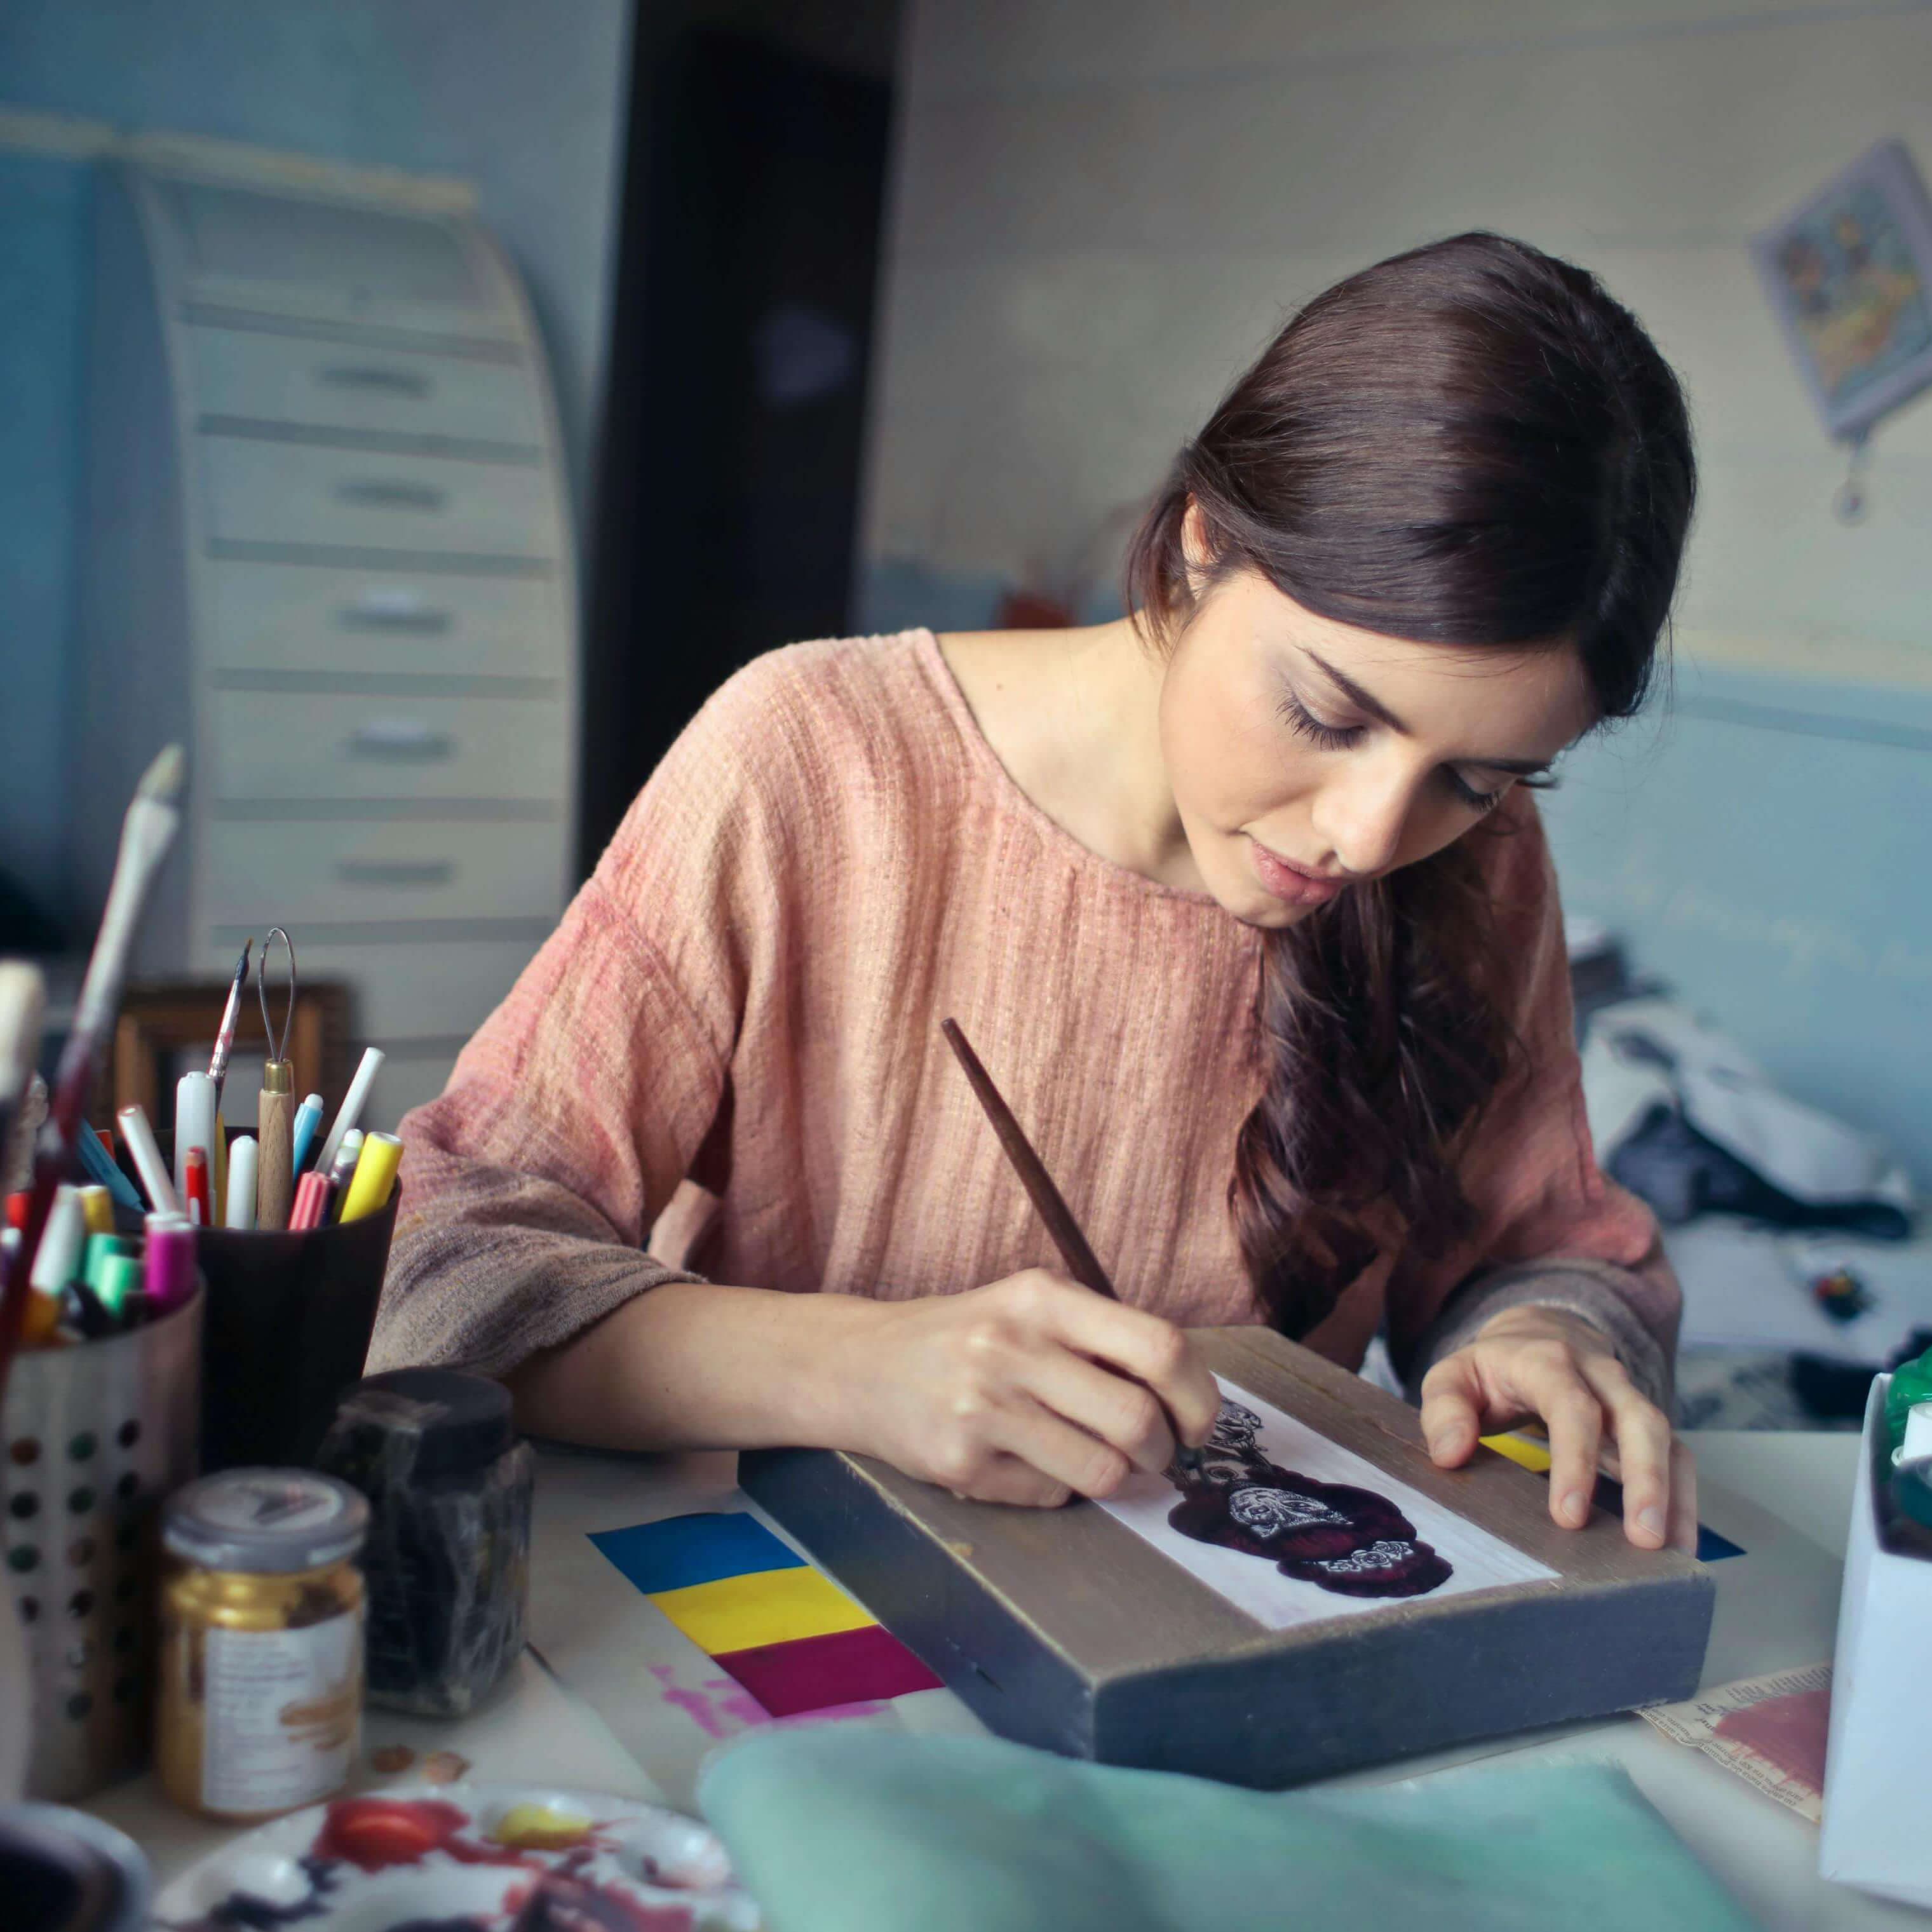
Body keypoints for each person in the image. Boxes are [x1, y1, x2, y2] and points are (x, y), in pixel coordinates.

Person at [370, 232, 1698, 1551]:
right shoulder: (813, 759)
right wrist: (857, 1370)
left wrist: (1547, 1331)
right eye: (1324, 709)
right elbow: (442, 1267)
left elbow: (1547, 1245)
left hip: (1216, 1659)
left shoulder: (1475, 857)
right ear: (1198, 544)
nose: (1368, 833)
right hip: (769, 1614)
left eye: (1476, 776)